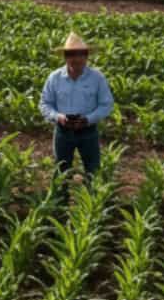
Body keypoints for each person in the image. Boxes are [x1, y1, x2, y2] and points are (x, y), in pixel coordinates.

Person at [38, 32, 114, 191]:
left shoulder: (97, 78)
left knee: (93, 169)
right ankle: (61, 201)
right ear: (65, 57)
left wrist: (88, 119)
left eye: (81, 54)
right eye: (71, 54)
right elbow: (45, 103)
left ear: (86, 56)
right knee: (61, 170)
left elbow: (106, 105)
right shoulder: (55, 78)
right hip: (63, 131)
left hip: (88, 131)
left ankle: (92, 200)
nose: (76, 59)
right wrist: (58, 117)